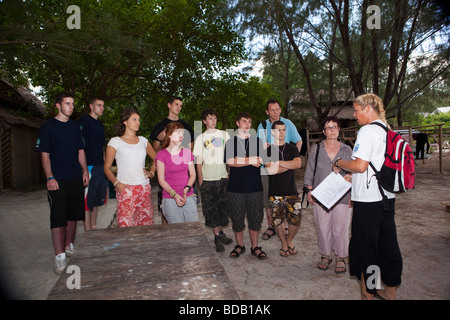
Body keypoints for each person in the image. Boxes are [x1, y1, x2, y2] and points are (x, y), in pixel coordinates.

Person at [332, 93, 403, 300]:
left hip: (368, 203)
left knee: (366, 252)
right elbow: (375, 167)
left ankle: (368, 295)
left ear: (368, 109)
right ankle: (389, 293)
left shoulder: (367, 130)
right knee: (388, 246)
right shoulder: (387, 130)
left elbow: (360, 166)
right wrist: (353, 181)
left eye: (356, 110)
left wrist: (339, 163)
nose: (354, 115)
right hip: (386, 198)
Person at [36, 92, 89, 274]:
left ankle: (68, 246)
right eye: (67, 103)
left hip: (75, 177)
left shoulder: (75, 127)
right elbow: (45, 155)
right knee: (58, 218)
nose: (71, 107)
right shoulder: (48, 127)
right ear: (58, 105)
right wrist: (50, 178)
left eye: (73, 104)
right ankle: (59, 257)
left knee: (73, 215)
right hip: (57, 180)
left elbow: (80, 151)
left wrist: (84, 172)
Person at [304, 116, 352, 273]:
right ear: (324, 131)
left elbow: (354, 172)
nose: (332, 130)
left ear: (339, 129)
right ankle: (325, 255)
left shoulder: (347, 150)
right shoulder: (316, 149)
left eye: (335, 127)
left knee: (341, 227)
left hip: (342, 195)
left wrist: (353, 193)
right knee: (322, 226)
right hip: (321, 195)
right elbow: (310, 169)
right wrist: (309, 189)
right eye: (329, 127)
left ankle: (340, 257)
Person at [257, 99, 302, 241]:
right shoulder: (262, 126)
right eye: (272, 110)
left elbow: (299, 140)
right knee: (269, 198)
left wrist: (294, 156)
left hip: (285, 166)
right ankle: (272, 226)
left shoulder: (288, 124)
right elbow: (259, 146)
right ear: (267, 112)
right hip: (268, 167)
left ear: (280, 109)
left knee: (287, 195)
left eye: (277, 109)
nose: (275, 113)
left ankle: (286, 226)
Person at [225, 112, 268, 260]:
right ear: (238, 123)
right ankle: (239, 245)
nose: (247, 124)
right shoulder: (231, 142)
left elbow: (260, 160)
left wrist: (240, 160)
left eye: (249, 121)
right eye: (244, 121)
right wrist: (250, 160)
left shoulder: (257, 142)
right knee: (237, 219)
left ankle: (255, 247)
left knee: (255, 219)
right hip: (235, 188)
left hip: (254, 187)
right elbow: (230, 162)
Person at [104, 108, 156, 227]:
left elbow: (158, 159)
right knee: (125, 227)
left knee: (146, 226)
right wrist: (116, 183)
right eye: (134, 119)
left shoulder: (143, 141)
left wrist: (152, 171)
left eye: (138, 120)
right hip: (126, 189)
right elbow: (106, 168)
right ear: (125, 122)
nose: (138, 122)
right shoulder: (115, 142)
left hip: (144, 188)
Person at [149, 96, 195, 224]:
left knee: (189, 216)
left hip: (184, 171)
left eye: (180, 105)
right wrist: (154, 168)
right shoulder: (159, 127)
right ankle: (167, 237)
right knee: (167, 210)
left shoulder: (185, 126)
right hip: (167, 172)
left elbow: (191, 147)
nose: (178, 107)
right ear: (169, 105)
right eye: (176, 104)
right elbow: (155, 150)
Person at [193, 109, 233, 252]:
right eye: (210, 118)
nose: (213, 120)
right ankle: (216, 236)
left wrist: (228, 171)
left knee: (222, 208)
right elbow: (198, 160)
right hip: (208, 179)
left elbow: (229, 154)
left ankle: (221, 233)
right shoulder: (201, 138)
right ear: (204, 121)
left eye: (215, 118)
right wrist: (200, 178)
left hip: (222, 177)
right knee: (211, 209)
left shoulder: (224, 134)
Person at [264, 121, 302, 257]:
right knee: (278, 221)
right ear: (273, 132)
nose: (282, 133)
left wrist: (278, 163)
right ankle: (284, 244)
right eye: (278, 130)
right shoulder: (268, 150)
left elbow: (298, 164)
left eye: (284, 130)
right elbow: (270, 170)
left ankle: (290, 240)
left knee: (296, 219)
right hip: (275, 192)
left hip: (292, 190)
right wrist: (288, 165)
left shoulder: (292, 149)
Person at [155, 121, 198, 223]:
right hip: (169, 198)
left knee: (192, 229)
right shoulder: (161, 155)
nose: (181, 136)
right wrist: (174, 194)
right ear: (169, 135)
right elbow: (161, 180)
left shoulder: (187, 152)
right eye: (177, 133)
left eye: (182, 133)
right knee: (177, 232)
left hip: (188, 196)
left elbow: (192, 175)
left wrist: (187, 187)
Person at [78, 97, 107, 231]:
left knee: (96, 197)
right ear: (91, 106)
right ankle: (87, 228)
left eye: (102, 106)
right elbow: (78, 146)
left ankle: (94, 226)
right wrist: (83, 168)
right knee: (87, 199)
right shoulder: (83, 121)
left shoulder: (100, 125)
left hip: (100, 166)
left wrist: (105, 164)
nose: (101, 108)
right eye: (98, 105)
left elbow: (102, 147)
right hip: (88, 165)